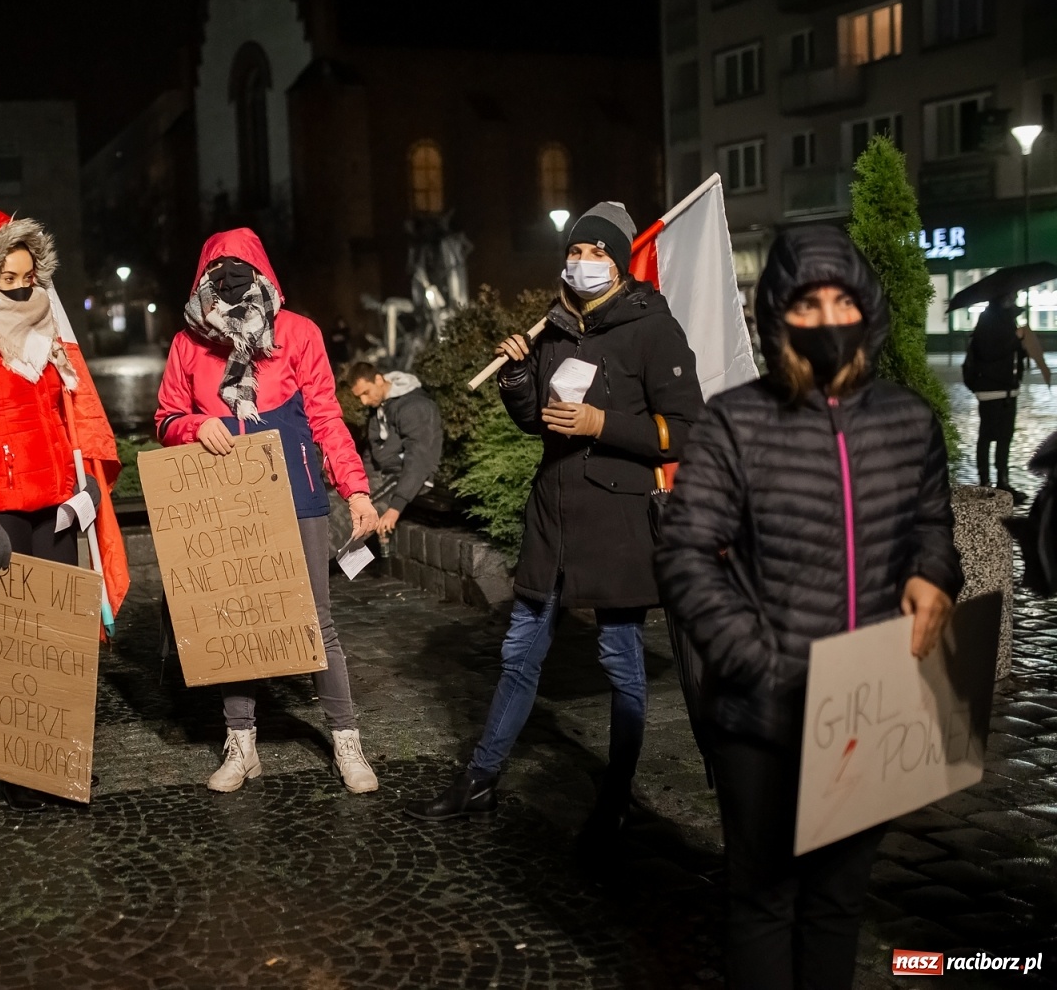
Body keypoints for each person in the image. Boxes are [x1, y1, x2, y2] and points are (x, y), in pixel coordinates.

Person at [655, 226, 961, 990]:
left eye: (842, 300)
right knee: (764, 901)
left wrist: (934, 574)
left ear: (868, 309)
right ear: (777, 317)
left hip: (868, 704)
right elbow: (685, 554)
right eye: (807, 303)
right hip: (762, 711)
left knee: (837, 901)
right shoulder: (736, 422)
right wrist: (756, 659)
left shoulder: (908, 421)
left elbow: (933, 524)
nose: (828, 318)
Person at [405, 202, 704, 846]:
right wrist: (517, 375)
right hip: (553, 517)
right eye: (577, 252)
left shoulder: (653, 330)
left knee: (620, 663)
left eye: (599, 254)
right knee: (518, 654)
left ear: (621, 263)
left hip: (618, 523)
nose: (584, 263)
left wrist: (604, 424)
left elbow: (688, 429)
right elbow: (534, 417)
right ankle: (481, 779)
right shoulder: (555, 325)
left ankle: (617, 798)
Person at [156, 228, 382, 794]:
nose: (229, 284)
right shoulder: (189, 343)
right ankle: (242, 744)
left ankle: (347, 741)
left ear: (262, 274)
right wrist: (194, 425)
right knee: (236, 619)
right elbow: (164, 418)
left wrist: (355, 489)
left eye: (240, 271)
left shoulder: (299, 333)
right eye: (218, 274)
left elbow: (327, 417)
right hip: (224, 498)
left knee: (316, 622)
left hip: (297, 493)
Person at [0, 209, 130, 811]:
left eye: (27, 276)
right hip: (2, 512)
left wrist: (88, 485)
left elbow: (64, 418)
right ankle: (13, 767)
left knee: (58, 639)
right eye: (7, 278)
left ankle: (58, 756)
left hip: (56, 506)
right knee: (8, 641)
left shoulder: (44, 335)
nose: (21, 287)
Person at [963, 291, 1050, 499]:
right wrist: (1015, 339)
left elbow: (1010, 352)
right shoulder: (987, 321)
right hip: (990, 389)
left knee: (1005, 436)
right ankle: (984, 481)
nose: (1013, 300)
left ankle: (1003, 481)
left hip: (1009, 389)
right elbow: (990, 351)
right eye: (1011, 297)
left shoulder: (1007, 321)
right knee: (987, 436)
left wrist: (1024, 345)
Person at [344, 362, 443, 536]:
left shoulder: (414, 406)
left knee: (351, 522)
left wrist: (395, 508)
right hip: (386, 474)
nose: (364, 401)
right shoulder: (381, 405)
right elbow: (372, 449)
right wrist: (360, 484)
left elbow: (419, 458)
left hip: (408, 479)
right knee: (346, 505)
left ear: (378, 379)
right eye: (359, 397)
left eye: (366, 393)